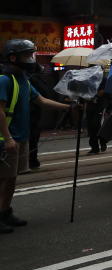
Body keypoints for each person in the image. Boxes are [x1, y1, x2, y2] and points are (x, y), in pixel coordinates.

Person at [0, 39, 75, 232]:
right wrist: (7, 138)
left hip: (20, 137)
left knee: (12, 178)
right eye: (27, 55)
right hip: (6, 140)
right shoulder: (4, 80)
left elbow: (41, 100)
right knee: (2, 179)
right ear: (13, 58)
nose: (31, 59)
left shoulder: (23, 80)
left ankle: (5, 212)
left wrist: (69, 107)